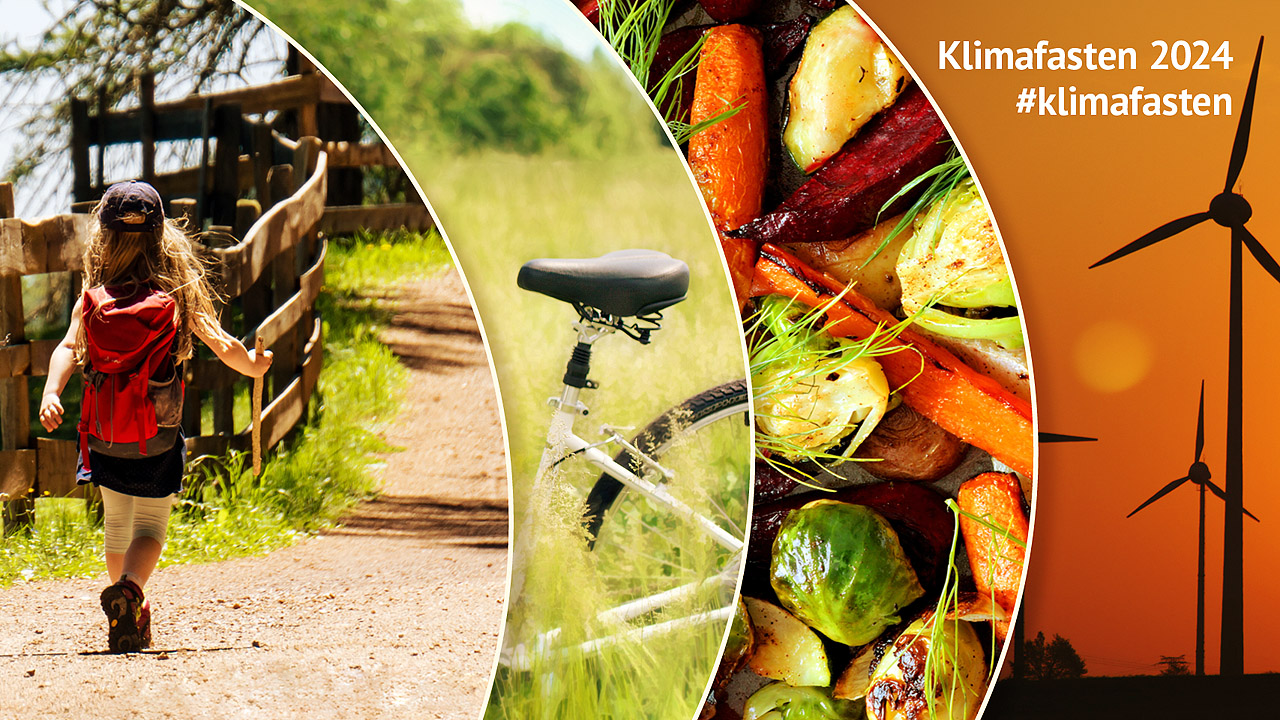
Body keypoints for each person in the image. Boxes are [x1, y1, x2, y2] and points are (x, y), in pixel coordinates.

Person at [37, 180, 272, 653]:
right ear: (162, 234)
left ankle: (129, 609)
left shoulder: (94, 295)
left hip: (103, 435)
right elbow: (220, 342)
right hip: (157, 436)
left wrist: (51, 391)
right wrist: (251, 364)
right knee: (150, 530)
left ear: (102, 237)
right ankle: (130, 591)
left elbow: (67, 347)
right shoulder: (175, 291)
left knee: (118, 527)